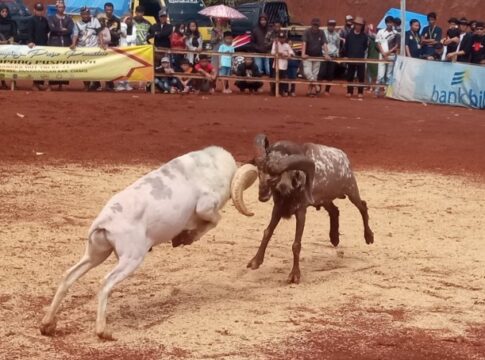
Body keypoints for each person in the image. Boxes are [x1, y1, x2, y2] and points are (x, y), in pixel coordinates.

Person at [71, 7, 104, 91]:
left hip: (93, 47)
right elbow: (75, 34)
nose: (86, 16)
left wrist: (102, 43)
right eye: (84, 14)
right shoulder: (77, 23)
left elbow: (99, 33)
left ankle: (95, 83)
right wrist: (74, 43)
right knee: (84, 67)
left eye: (87, 14)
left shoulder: (95, 21)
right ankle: (86, 84)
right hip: (82, 48)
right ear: (81, 15)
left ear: (89, 14)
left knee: (94, 66)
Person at [47, 0, 74, 91]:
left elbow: (70, 30)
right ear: (56, 8)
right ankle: (51, 85)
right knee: (54, 65)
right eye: (59, 7)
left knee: (64, 65)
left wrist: (60, 30)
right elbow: (52, 28)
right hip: (54, 43)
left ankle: (61, 85)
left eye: (62, 7)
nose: (61, 9)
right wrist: (62, 29)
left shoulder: (68, 18)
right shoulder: (51, 18)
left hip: (66, 43)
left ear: (64, 8)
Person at [302, 18, 330, 97]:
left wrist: (327, 54)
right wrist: (303, 54)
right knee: (307, 72)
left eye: (317, 25)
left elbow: (324, 44)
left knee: (314, 74)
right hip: (308, 56)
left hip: (317, 56)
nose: (315, 27)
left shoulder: (321, 32)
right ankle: (317, 85)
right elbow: (304, 43)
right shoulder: (307, 31)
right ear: (312, 25)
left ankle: (310, 91)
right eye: (314, 25)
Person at [27, 2, 49, 91]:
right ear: (34, 10)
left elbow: (47, 31)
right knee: (36, 66)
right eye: (38, 10)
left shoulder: (45, 20)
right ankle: (35, 84)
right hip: (35, 47)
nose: (40, 12)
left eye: (41, 10)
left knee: (43, 65)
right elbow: (30, 33)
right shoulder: (31, 20)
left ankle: (40, 83)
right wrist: (30, 42)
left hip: (44, 45)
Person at [344, 16, 368, 98]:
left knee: (361, 76)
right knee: (350, 75)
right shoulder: (349, 35)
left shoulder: (364, 36)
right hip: (351, 58)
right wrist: (346, 56)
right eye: (357, 24)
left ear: (362, 26)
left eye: (360, 25)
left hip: (360, 58)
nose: (358, 26)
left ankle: (360, 92)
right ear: (354, 25)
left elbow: (365, 46)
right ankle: (349, 91)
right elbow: (346, 46)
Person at [375, 16, 398, 95]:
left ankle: (387, 92)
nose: (389, 24)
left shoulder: (395, 33)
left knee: (389, 74)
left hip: (391, 55)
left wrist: (388, 52)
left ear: (393, 23)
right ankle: (377, 91)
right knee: (380, 74)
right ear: (385, 23)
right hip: (382, 55)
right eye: (388, 22)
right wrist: (383, 53)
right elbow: (378, 43)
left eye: (391, 22)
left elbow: (396, 45)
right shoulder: (380, 32)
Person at [319, 19, 341, 96]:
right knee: (321, 73)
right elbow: (320, 43)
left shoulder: (337, 35)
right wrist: (324, 53)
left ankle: (327, 90)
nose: (331, 27)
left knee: (330, 74)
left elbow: (338, 46)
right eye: (330, 25)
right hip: (324, 55)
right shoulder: (323, 33)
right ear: (327, 25)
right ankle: (318, 88)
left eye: (333, 25)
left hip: (332, 56)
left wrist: (337, 54)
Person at [116, 15, 136, 91]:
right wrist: (123, 26)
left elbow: (133, 38)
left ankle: (127, 83)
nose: (129, 21)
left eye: (130, 19)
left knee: (129, 67)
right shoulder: (121, 27)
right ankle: (120, 84)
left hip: (131, 50)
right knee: (121, 67)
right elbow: (123, 35)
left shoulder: (134, 28)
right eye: (127, 19)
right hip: (122, 50)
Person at [271, 32, 294, 97]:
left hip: (284, 65)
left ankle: (281, 92)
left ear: (285, 38)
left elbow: (292, 53)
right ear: (278, 38)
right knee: (275, 79)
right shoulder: (275, 44)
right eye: (280, 38)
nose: (281, 39)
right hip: (276, 65)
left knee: (282, 80)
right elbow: (272, 52)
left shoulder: (287, 45)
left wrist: (288, 55)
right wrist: (280, 53)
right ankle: (274, 92)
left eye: (283, 38)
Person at [104, 2, 120, 91]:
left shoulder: (117, 20)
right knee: (102, 64)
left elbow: (118, 34)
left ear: (113, 10)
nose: (108, 11)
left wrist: (110, 32)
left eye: (110, 10)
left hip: (113, 44)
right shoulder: (101, 20)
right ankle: (97, 83)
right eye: (107, 10)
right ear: (105, 10)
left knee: (111, 65)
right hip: (102, 45)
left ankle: (110, 83)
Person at [0, 4, 17, 90]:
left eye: (6, 11)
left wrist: (12, 39)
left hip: (10, 47)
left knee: (11, 65)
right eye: (2, 11)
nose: (4, 13)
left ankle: (13, 83)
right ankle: (2, 82)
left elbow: (14, 34)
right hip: (0, 46)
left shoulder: (12, 22)